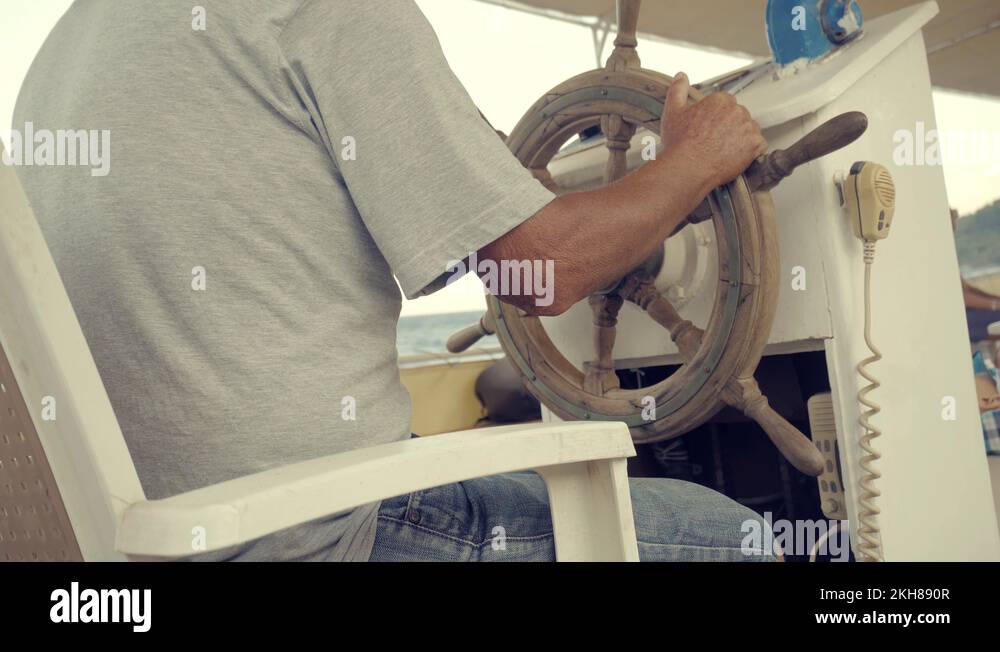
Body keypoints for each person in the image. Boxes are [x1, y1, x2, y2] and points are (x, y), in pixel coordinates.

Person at [12, 0, 773, 561]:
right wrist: (697, 160)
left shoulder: (61, 56)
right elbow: (549, 269)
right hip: (315, 535)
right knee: (735, 537)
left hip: (131, 551)